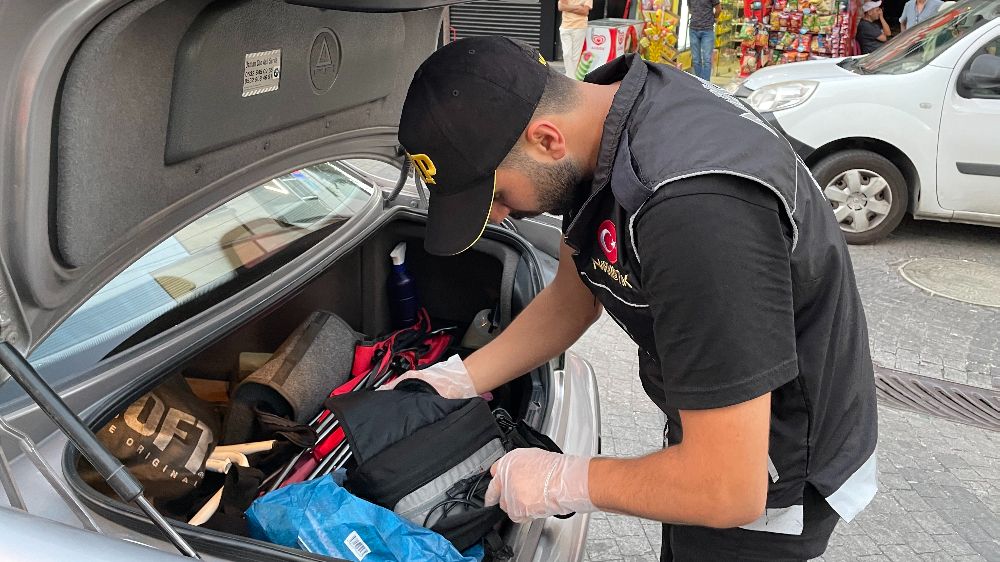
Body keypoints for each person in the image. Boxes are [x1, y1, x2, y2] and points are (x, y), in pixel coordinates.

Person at [394, 36, 878, 561]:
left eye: (497, 196)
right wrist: (459, 379)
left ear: (546, 140)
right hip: (716, 425)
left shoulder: (692, 209)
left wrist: (564, 479)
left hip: (772, 468)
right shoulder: (602, 115)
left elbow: (724, 489)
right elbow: (572, 298)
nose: (497, 218)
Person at [688, 0, 721, 80]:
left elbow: (718, 9)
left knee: (706, 59)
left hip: (707, 30)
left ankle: (705, 84)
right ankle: (699, 82)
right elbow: (690, 9)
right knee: (695, 59)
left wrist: (713, 18)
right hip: (693, 29)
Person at [559, 0, 593, 79]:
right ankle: (571, 77)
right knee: (567, 54)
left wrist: (567, 7)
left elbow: (585, 11)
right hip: (565, 26)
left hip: (580, 27)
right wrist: (578, 7)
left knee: (575, 56)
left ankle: (570, 78)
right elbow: (560, 7)